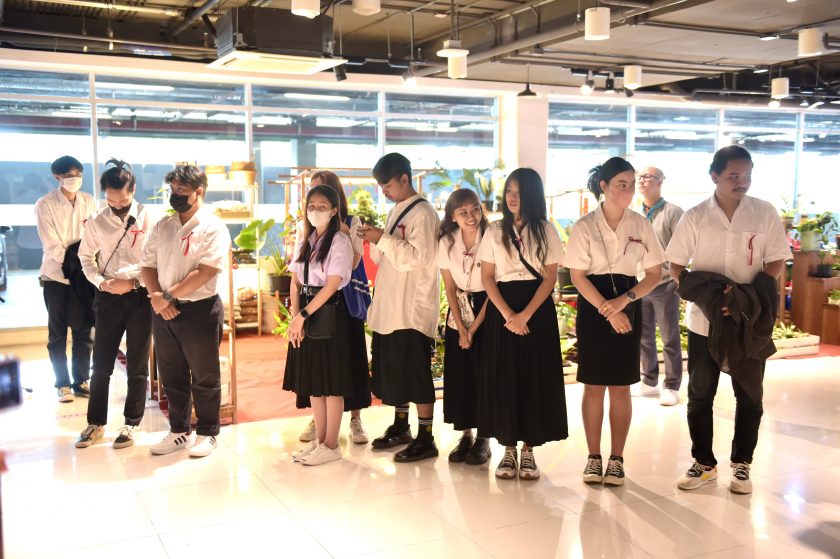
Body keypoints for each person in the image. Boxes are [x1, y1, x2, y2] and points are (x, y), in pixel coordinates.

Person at [667, 146, 791, 494]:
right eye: (734, 175)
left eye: (747, 174)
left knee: (750, 396)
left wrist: (744, 299)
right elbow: (676, 264)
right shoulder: (695, 216)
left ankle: (742, 465)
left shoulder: (764, 212)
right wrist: (709, 298)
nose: (742, 182)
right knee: (699, 395)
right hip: (703, 324)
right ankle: (704, 464)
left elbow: (776, 261)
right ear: (715, 176)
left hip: (749, 323)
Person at [565, 157, 665, 487]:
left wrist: (624, 302)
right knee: (593, 385)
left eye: (632, 185)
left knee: (621, 386)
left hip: (628, 301)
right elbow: (577, 276)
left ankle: (617, 459)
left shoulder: (640, 224)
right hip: (593, 305)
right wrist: (609, 309)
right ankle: (593, 457)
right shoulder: (584, 226)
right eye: (622, 184)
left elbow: (654, 274)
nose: (629, 190)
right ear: (604, 186)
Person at [476, 167, 568, 481]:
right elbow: (487, 276)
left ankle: (529, 449)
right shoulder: (494, 230)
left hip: (536, 308)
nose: (512, 198)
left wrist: (525, 315)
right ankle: (508, 448)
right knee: (504, 377)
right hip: (502, 307)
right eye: (509, 191)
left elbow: (550, 278)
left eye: (519, 192)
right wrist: (508, 315)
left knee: (534, 376)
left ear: (532, 195)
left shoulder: (546, 230)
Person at [141, 165, 231, 459]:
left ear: (199, 192)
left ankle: (208, 432)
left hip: (199, 310)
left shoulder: (213, 227)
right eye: (173, 189)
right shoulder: (163, 226)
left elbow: (206, 271)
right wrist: (157, 297)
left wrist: (167, 296)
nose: (175, 194)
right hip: (162, 308)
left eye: (181, 190)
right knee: (171, 374)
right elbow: (147, 265)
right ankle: (178, 430)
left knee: (204, 375)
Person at [357, 153, 441, 463]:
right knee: (396, 371)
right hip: (391, 306)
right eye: (381, 187)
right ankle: (402, 426)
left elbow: (417, 258)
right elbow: (384, 257)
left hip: (411, 310)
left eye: (387, 185)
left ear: (405, 179)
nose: (384, 191)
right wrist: (374, 239)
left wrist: (382, 238)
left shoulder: (424, 213)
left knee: (415, 374)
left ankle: (426, 437)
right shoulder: (396, 210)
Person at [75, 159, 153, 449]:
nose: (117, 205)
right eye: (111, 199)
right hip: (107, 297)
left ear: (133, 191)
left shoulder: (147, 217)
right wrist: (100, 282)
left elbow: (155, 259)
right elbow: (85, 257)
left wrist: (133, 283)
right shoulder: (98, 219)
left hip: (140, 297)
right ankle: (95, 423)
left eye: (123, 199)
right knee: (102, 364)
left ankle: (132, 423)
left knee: (137, 364)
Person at [295, 171, 370, 446]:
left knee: (347, 362)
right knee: (318, 369)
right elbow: (297, 273)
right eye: (312, 197)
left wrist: (344, 234)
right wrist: (298, 314)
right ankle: (321, 424)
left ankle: (354, 419)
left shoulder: (349, 224)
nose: (316, 206)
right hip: (313, 303)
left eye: (323, 195)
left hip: (343, 301)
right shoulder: (307, 230)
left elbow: (352, 263)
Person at [284, 185, 355, 465]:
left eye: (322, 206)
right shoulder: (307, 238)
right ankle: (319, 442)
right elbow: (295, 281)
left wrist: (303, 315)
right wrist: (296, 316)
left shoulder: (339, 241)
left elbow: (332, 284)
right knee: (314, 382)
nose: (315, 211)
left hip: (328, 313)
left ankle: (331, 445)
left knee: (331, 383)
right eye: (311, 206)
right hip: (306, 311)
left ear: (334, 210)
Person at [35, 155, 98, 402]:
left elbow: (94, 235)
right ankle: (62, 384)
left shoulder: (89, 201)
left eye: (78, 174)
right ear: (57, 176)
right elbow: (51, 244)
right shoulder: (45, 204)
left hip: (84, 275)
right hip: (56, 277)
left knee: (84, 330)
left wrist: (88, 265)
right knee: (58, 332)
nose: (74, 178)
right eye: (68, 175)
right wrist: (75, 263)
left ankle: (81, 380)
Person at [438, 189, 491, 465]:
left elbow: (495, 285)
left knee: (485, 375)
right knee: (460, 375)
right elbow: (449, 287)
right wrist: (461, 328)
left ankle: (484, 437)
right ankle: (466, 434)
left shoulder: (493, 237)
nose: (471, 216)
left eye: (475, 209)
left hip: (488, 306)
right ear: (453, 217)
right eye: (463, 212)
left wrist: (475, 327)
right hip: (458, 308)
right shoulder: (447, 242)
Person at [634, 167, 685, 406]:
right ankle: (649, 380)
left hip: (665, 283)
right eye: (640, 177)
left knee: (669, 337)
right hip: (639, 283)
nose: (642, 181)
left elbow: (683, 248)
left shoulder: (673, 212)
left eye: (648, 177)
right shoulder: (634, 213)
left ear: (660, 182)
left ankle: (672, 385)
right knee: (644, 337)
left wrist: (678, 279)